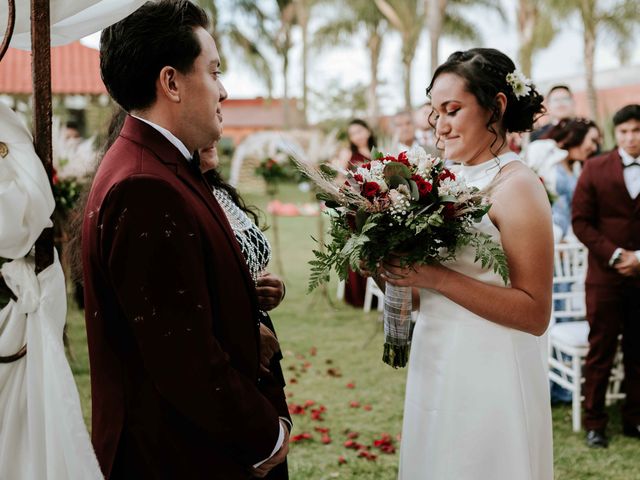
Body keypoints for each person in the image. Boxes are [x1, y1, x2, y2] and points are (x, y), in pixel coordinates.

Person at [81, 2, 290, 478]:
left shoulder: (165, 166)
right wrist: (266, 436)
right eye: (214, 71)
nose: (224, 90)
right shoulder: (144, 184)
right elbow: (181, 355)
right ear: (171, 82)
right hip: (179, 455)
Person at [378, 48, 554, 479]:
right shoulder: (446, 181)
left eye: (452, 110)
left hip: (491, 368)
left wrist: (434, 275)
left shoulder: (518, 187)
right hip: (437, 355)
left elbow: (534, 313)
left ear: (496, 106)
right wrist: (388, 269)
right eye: (434, 112)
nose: (439, 124)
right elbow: (425, 296)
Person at [572, 104, 640, 448]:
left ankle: (635, 419)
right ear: (616, 134)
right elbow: (581, 221)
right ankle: (595, 423)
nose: (630, 137)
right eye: (624, 131)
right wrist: (616, 255)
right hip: (604, 276)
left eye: (636, 131)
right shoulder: (595, 168)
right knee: (600, 350)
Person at [525, 118, 600, 241]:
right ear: (577, 135)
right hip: (539, 232)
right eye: (593, 141)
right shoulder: (543, 149)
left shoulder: (577, 169)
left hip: (565, 240)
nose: (594, 148)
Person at [337, 119, 376, 307]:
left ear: (368, 130)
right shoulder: (348, 154)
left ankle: (376, 295)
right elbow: (338, 181)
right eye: (353, 133)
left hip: (375, 207)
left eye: (360, 130)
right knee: (358, 247)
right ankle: (358, 296)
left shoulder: (378, 151)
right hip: (355, 210)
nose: (357, 136)